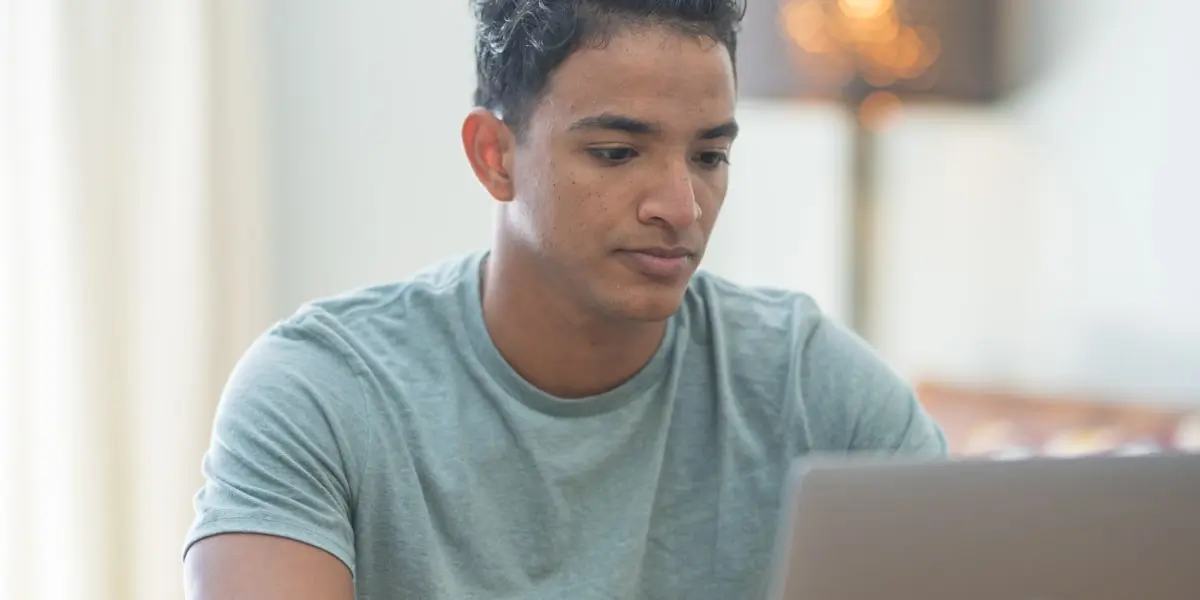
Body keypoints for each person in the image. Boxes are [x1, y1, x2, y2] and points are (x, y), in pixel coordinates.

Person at [182, 1, 947, 599]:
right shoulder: (318, 395)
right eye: (617, 153)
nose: (682, 206)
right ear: (494, 156)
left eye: (710, 154)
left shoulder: (817, 392)